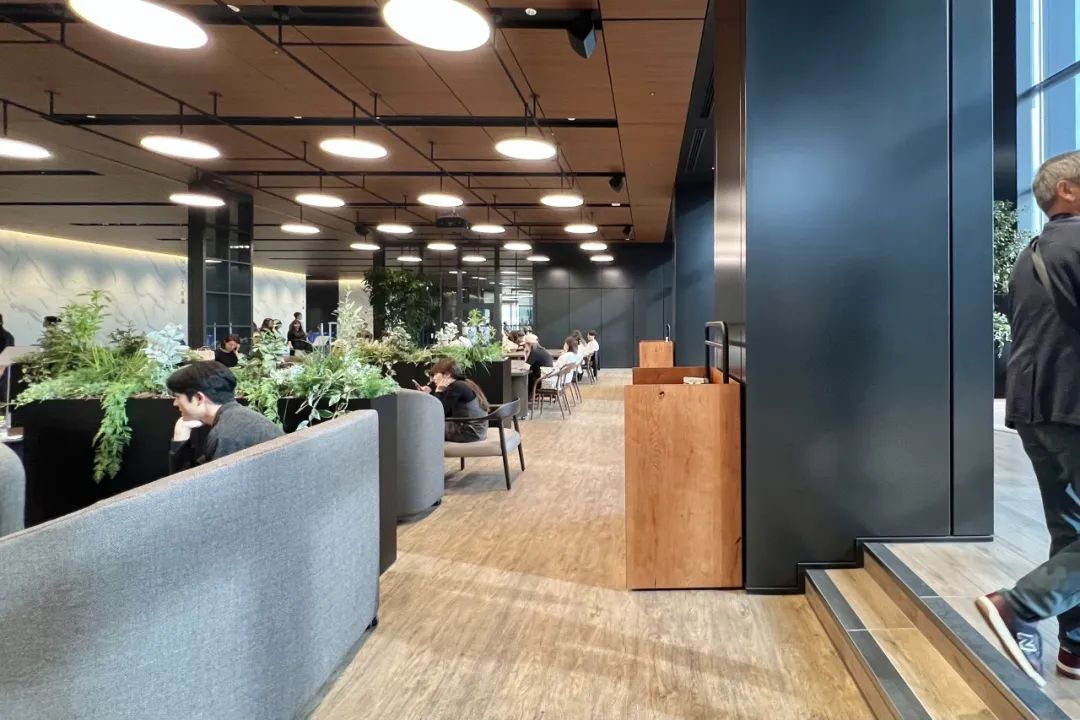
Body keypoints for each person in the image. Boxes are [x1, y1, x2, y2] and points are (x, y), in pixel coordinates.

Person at [978, 150, 1080, 686]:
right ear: (1066, 190)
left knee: (1070, 531)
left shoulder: (1031, 254)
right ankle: (1018, 606)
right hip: (1074, 406)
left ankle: (1075, 648)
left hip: (1035, 409)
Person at [166, 360, 283, 474]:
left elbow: (187, 485)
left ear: (199, 398)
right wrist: (181, 431)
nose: (175, 403)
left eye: (177, 397)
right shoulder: (238, 420)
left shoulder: (226, 435)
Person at [420, 358, 489, 442]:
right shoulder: (463, 383)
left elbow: (438, 413)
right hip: (476, 431)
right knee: (425, 424)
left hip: (469, 432)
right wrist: (430, 393)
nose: (433, 378)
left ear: (447, 374)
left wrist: (438, 391)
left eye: (435, 374)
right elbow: (446, 408)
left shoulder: (457, 386)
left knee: (423, 426)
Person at [522, 333, 554, 398]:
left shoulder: (534, 352)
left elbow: (525, 367)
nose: (524, 346)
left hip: (540, 380)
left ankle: (524, 398)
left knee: (522, 378)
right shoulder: (541, 350)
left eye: (525, 344)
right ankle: (528, 396)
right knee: (529, 376)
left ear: (529, 344)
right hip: (547, 377)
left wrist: (526, 353)